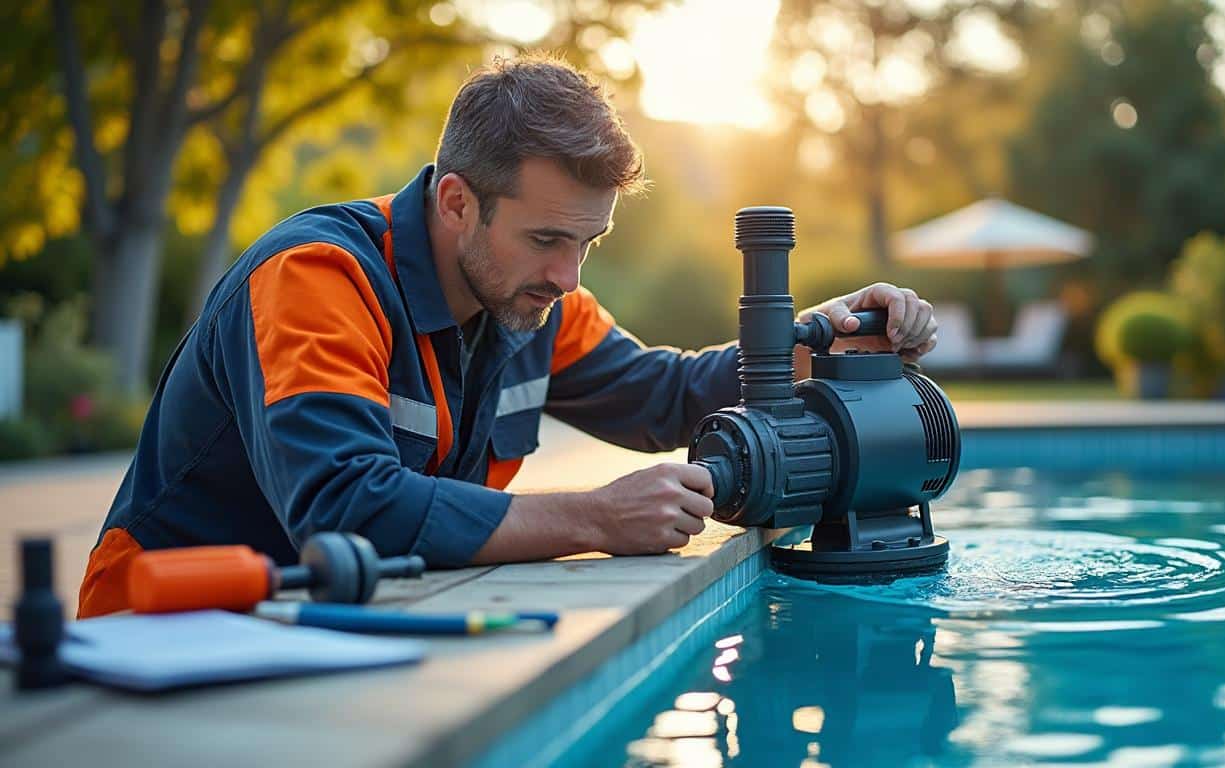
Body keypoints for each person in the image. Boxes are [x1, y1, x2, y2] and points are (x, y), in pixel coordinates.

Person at [77, 55, 938, 618]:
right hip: (159, 635)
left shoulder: (530, 299)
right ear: (457, 202)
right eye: (547, 240)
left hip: (316, 627)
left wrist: (826, 336)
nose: (570, 278)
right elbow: (347, 510)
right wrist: (595, 516)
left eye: (587, 243)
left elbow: (666, 397)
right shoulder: (317, 279)